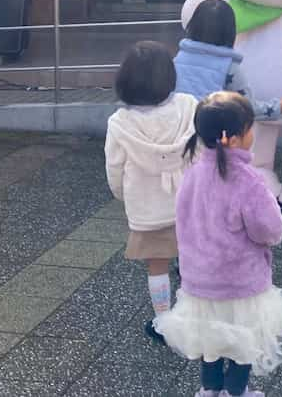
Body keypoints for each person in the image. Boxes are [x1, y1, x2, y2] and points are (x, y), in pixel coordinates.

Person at [155, 92, 282, 397]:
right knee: (242, 343)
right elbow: (270, 229)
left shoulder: (192, 175)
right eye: (249, 128)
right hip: (240, 283)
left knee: (210, 341)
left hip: (199, 281)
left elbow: (182, 222)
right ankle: (237, 393)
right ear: (232, 139)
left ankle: (209, 391)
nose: (253, 133)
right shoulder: (248, 180)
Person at [104, 41, 197, 342]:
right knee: (192, 259)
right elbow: (203, 151)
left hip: (148, 207)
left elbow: (114, 167)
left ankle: (164, 321)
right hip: (189, 202)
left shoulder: (120, 123)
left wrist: (121, 194)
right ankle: (194, 313)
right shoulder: (187, 106)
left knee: (157, 264)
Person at [173, 0, 282, 121]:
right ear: (229, 30)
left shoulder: (178, 59)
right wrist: (279, 107)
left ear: (193, 25)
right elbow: (246, 107)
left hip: (178, 128)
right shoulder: (229, 67)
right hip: (210, 133)